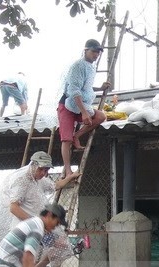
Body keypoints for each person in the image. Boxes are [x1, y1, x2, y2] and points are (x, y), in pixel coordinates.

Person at [58, 39, 111, 176]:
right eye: (93, 51)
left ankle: (78, 135)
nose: (95, 55)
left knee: (101, 116)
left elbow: (84, 87)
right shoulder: (77, 66)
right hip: (68, 104)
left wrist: (100, 88)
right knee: (66, 139)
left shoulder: (90, 67)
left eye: (98, 53)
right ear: (85, 50)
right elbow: (74, 90)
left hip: (82, 103)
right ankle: (68, 170)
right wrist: (84, 112)